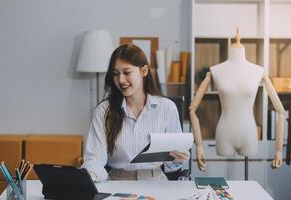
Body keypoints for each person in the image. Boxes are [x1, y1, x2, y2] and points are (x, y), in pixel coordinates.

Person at [82, 44, 190, 182]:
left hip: (157, 183)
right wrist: (90, 175)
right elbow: (94, 159)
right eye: (116, 74)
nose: (121, 80)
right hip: (117, 183)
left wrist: (177, 158)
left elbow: (173, 167)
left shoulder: (167, 108)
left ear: (144, 71)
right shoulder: (104, 110)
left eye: (127, 72)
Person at [189, 30, 285, 171]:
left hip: (249, 134)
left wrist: (278, 151)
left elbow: (281, 111)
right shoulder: (216, 70)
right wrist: (198, 145)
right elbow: (192, 109)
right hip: (224, 134)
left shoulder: (258, 71)